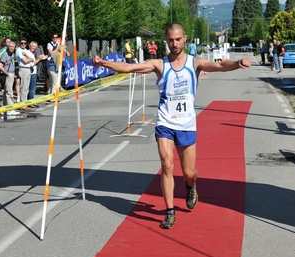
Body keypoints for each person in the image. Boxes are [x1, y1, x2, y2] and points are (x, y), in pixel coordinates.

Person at [92, 22, 251, 229]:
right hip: (165, 123)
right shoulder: (160, 64)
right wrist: (104, 63)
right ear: (165, 41)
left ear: (185, 38)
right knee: (167, 165)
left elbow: (220, 66)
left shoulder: (195, 63)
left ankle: (191, 186)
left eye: (177, 39)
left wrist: (238, 62)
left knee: (188, 172)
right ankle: (169, 212)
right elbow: (130, 67)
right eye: (170, 40)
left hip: (187, 124)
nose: (174, 44)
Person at [16, 37, 47, 109]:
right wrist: (33, 59)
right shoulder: (19, 50)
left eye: (24, 43)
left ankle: (25, 103)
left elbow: (30, 60)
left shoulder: (25, 51)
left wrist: (29, 58)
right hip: (24, 69)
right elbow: (26, 61)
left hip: (28, 70)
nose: (23, 44)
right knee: (24, 88)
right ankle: (23, 105)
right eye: (22, 43)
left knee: (27, 88)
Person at [0, 41, 20, 116]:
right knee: (9, 92)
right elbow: (0, 66)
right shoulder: (5, 54)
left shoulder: (12, 54)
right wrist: (8, 74)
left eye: (13, 47)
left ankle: (4, 108)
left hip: (10, 74)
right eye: (10, 47)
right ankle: (10, 109)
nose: (11, 48)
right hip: (7, 75)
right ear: (7, 47)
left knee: (6, 93)